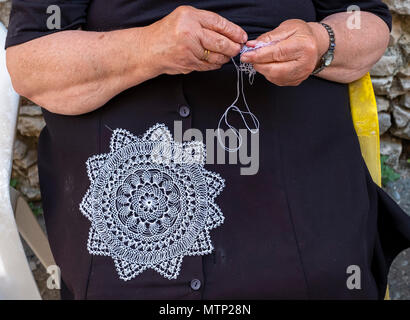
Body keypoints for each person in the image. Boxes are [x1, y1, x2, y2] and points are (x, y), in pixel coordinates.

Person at [5, 0, 410, 299]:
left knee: (323, 280)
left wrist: (321, 41)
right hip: (135, 195)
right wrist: (148, 47)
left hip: (298, 192)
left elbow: (367, 22)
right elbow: (31, 63)